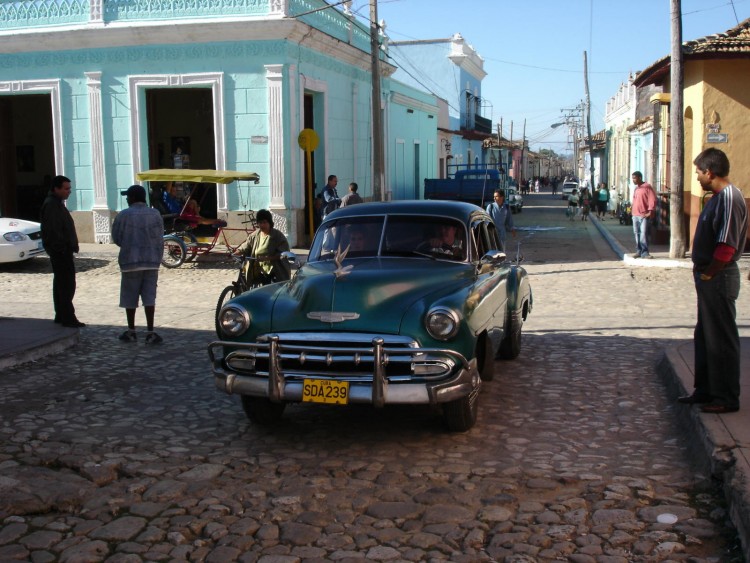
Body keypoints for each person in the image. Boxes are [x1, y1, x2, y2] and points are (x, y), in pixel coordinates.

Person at [678, 148, 748, 414]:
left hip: (719, 276)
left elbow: (726, 245)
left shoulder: (731, 197)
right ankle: (706, 390)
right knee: (705, 334)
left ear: (710, 172)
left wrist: (710, 273)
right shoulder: (716, 198)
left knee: (721, 338)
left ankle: (725, 397)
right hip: (709, 275)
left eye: (698, 172)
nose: (696, 177)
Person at [112, 185, 165, 344]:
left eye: (128, 196)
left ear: (133, 198)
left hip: (130, 261)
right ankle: (150, 331)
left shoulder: (123, 215)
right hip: (151, 261)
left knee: (130, 296)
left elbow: (117, 238)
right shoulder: (155, 214)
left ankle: (131, 330)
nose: (127, 199)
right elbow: (160, 236)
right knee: (149, 297)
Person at [40, 175, 85, 328]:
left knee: (61, 283)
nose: (69, 192)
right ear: (56, 189)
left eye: (69, 189)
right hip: (60, 251)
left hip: (62, 250)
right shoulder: (52, 205)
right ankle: (67, 316)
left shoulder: (57, 203)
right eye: (66, 189)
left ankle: (61, 314)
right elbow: (53, 230)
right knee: (66, 285)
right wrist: (61, 248)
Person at [236, 209, 291, 283]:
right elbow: (247, 244)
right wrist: (239, 251)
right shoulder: (255, 235)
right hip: (257, 269)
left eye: (265, 222)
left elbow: (283, 254)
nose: (262, 225)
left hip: (274, 272)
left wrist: (268, 258)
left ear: (270, 223)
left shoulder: (277, 236)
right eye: (260, 223)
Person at [630, 171, 657, 259]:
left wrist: (650, 211)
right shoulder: (636, 188)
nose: (633, 180)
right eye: (633, 178)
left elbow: (652, 199)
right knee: (636, 233)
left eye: (634, 178)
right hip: (635, 214)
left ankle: (645, 252)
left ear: (640, 178)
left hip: (643, 215)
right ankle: (639, 250)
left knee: (643, 233)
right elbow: (635, 200)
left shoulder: (647, 187)